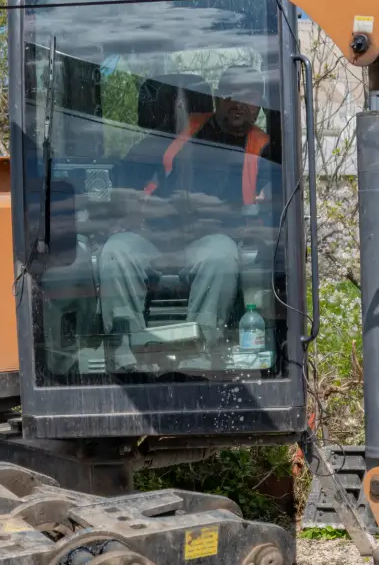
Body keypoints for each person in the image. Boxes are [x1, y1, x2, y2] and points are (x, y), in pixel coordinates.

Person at [96, 67, 279, 365]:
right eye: (230, 94)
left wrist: (215, 211)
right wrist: (130, 208)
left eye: (248, 97)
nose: (238, 104)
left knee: (220, 257)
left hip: (214, 239)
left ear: (260, 104)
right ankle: (127, 350)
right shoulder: (185, 127)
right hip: (155, 235)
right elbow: (132, 169)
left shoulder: (265, 147)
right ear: (217, 97)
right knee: (116, 251)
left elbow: (271, 205)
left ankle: (200, 350)